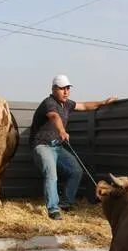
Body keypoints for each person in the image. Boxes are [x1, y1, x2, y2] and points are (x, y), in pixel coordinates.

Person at [29, 74, 117, 220]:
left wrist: (103, 102)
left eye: (68, 88)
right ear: (53, 89)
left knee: (76, 171)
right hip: (42, 146)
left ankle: (66, 202)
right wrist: (62, 131)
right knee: (51, 174)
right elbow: (54, 117)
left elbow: (84, 106)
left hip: (57, 147)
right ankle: (53, 209)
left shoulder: (67, 104)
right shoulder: (49, 103)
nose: (66, 92)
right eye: (62, 88)